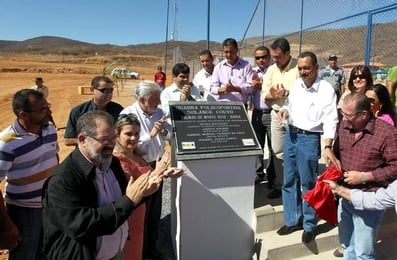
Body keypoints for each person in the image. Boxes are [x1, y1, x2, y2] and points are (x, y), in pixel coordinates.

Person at [42, 110, 184, 260]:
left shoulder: (111, 163)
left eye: (112, 139)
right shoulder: (62, 180)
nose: (111, 145)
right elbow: (81, 225)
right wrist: (130, 200)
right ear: (83, 140)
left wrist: (144, 192)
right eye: (104, 139)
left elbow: (126, 198)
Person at [276, 51, 339, 243]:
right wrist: (285, 110)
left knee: (308, 183)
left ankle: (309, 224)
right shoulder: (296, 85)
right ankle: (293, 219)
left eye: (307, 68)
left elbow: (331, 119)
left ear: (316, 68)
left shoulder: (326, 90)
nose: (303, 72)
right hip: (291, 135)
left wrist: (328, 146)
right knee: (289, 180)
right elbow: (289, 103)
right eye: (300, 68)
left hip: (309, 139)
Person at [332, 92, 397, 259]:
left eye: (348, 115)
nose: (344, 119)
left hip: (370, 200)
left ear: (364, 114)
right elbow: (338, 153)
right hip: (344, 197)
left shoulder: (387, 133)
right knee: (347, 246)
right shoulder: (344, 126)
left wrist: (364, 177)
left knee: (363, 252)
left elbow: (395, 167)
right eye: (342, 114)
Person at [0, 89, 59, 260]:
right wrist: (6, 224)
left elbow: (54, 160)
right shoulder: (7, 143)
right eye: (42, 110)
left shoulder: (50, 130)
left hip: (50, 207)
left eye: (47, 106)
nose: (48, 112)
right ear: (23, 115)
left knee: (48, 252)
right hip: (23, 213)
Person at [119, 80, 173, 259]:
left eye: (158, 98)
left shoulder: (159, 111)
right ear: (142, 100)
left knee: (154, 211)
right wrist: (151, 135)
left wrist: (163, 131)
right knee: (140, 212)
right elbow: (127, 145)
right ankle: (137, 250)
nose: (158, 103)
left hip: (156, 165)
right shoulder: (128, 114)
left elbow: (170, 133)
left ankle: (151, 247)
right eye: (154, 99)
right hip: (137, 166)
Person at [261, 38, 299, 199]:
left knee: (297, 151)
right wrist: (274, 95)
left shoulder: (299, 67)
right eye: (273, 56)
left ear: (288, 54)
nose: (275, 60)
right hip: (276, 114)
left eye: (278, 57)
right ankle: (283, 185)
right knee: (277, 152)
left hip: (296, 116)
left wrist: (287, 92)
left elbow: (305, 91)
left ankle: (297, 185)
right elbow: (265, 95)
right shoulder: (271, 70)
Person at [64, 75, 123, 146]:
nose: (108, 94)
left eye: (110, 90)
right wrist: (90, 142)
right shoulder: (79, 111)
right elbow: (68, 140)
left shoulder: (119, 110)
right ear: (92, 90)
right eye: (104, 90)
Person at [250, 46, 275, 186]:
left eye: (263, 57)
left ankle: (272, 177)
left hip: (271, 113)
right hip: (257, 113)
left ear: (269, 57)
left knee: (273, 147)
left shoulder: (274, 71)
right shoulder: (252, 72)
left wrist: (261, 85)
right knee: (257, 145)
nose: (261, 60)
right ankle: (258, 173)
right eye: (257, 58)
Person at [210, 38, 254, 104]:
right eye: (226, 52)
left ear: (237, 50)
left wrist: (235, 89)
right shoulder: (218, 67)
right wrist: (224, 90)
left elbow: (250, 88)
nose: (228, 55)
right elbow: (212, 88)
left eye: (231, 52)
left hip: (241, 106)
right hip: (223, 106)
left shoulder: (246, 66)